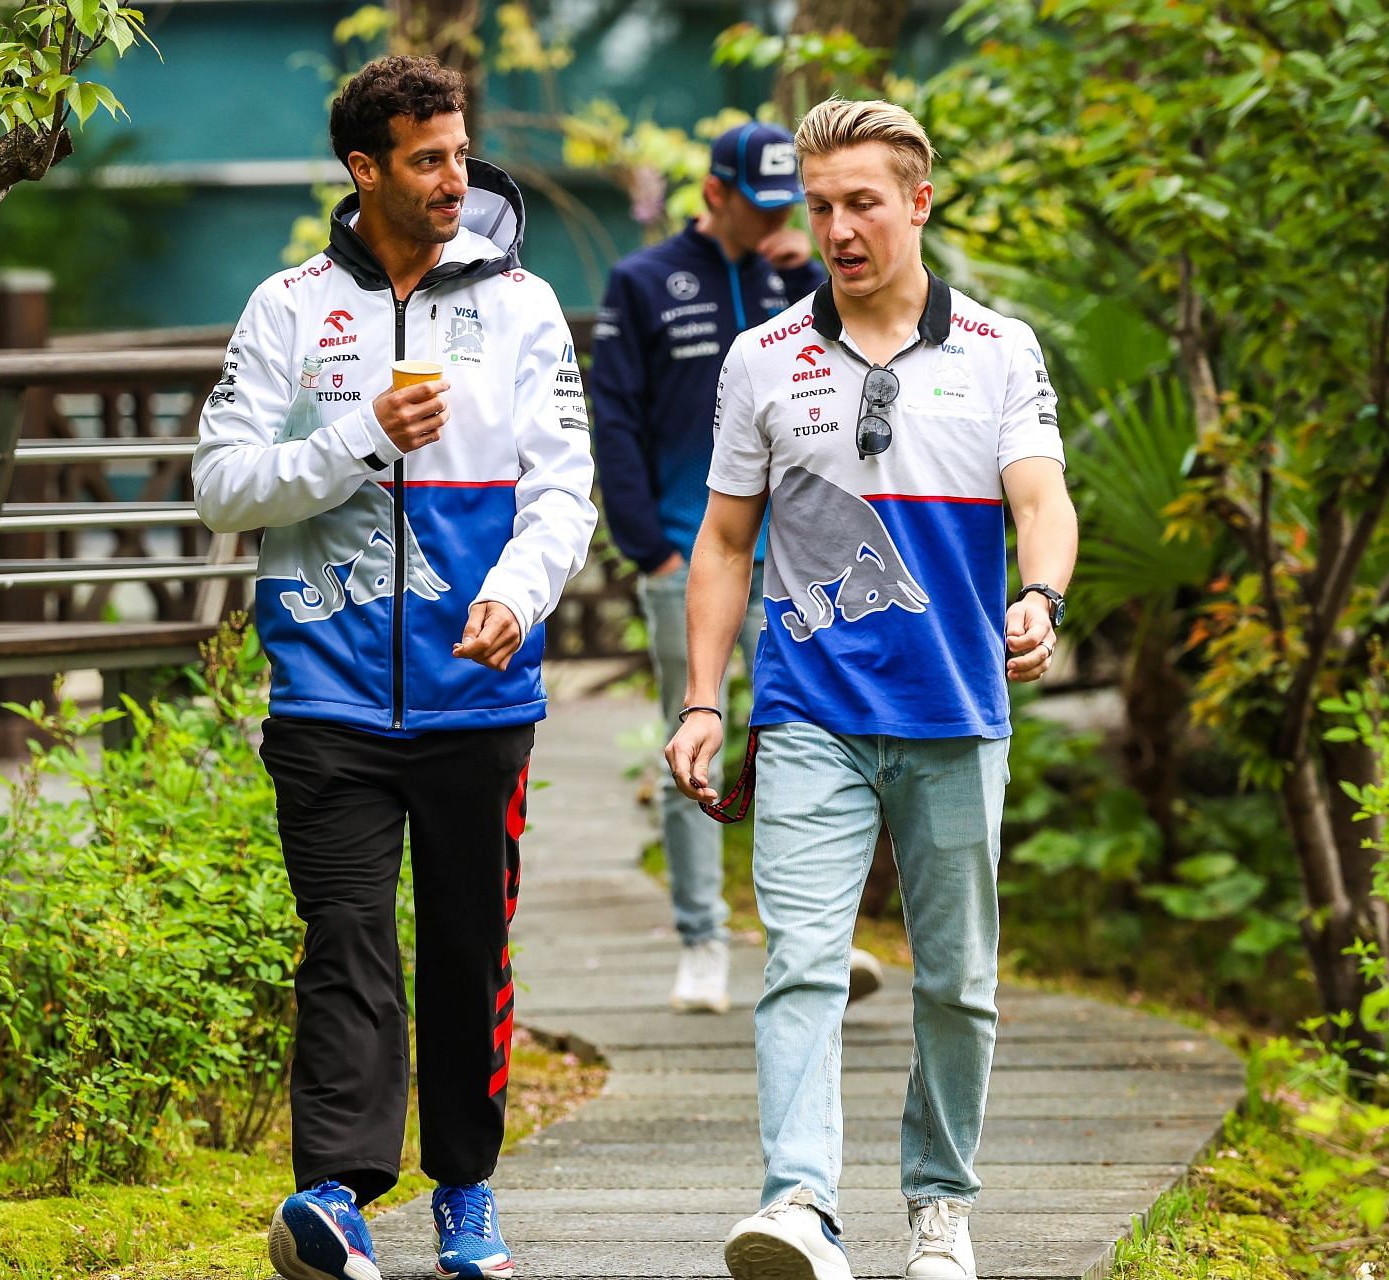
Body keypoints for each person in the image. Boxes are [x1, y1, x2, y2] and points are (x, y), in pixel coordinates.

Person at [192, 55, 595, 1280]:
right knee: (349, 942)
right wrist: (360, 438)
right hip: (325, 691)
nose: (455, 179)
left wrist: (515, 595)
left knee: (471, 949)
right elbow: (221, 489)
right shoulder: (288, 306)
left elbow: (564, 492)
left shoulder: (524, 306)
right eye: (427, 160)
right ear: (364, 169)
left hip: (482, 689)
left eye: (461, 154)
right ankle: (334, 1192)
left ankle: (466, 1195)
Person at [663, 98, 1079, 1280]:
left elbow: (1042, 501)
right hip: (809, 712)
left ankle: (940, 1204)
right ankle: (798, 1201)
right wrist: (703, 701)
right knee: (800, 956)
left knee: (958, 979)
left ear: (918, 203)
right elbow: (725, 542)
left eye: (864, 203)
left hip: (957, 711)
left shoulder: (1000, 350)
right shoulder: (762, 358)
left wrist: (1039, 598)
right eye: (823, 205)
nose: (839, 228)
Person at [591, 122, 882, 1014]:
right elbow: (613, 418)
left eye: (785, 207)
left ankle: (813, 940)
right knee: (698, 743)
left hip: (803, 568)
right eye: (759, 209)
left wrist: (802, 276)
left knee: (815, 742)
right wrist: (650, 546)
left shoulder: (800, 276)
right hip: (691, 554)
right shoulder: (643, 282)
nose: (776, 223)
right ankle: (703, 940)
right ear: (713, 195)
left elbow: (855, 380)